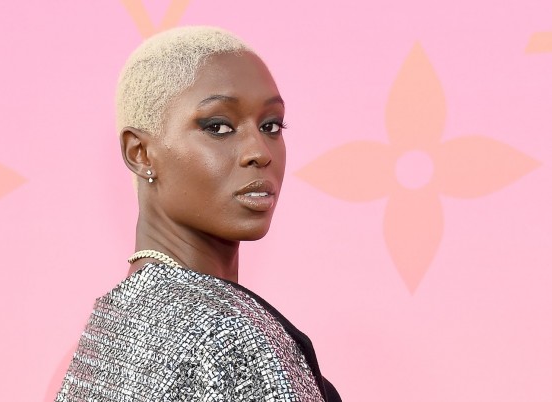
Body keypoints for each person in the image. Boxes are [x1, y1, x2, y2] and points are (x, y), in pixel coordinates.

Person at [55, 26, 342, 401]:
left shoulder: (111, 324)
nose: (259, 152)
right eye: (219, 127)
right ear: (140, 153)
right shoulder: (227, 335)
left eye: (271, 125)